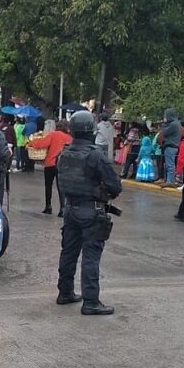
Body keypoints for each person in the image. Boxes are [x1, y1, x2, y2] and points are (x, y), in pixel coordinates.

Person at [56, 111, 122, 315]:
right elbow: (115, 186)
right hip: (91, 212)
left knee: (68, 253)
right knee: (91, 256)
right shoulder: (95, 155)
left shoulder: (64, 152)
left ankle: (65, 292)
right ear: (91, 130)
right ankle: (91, 301)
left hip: (70, 209)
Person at [27, 121, 73, 215]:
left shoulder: (53, 134)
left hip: (51, 163)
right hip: (63, 165)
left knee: (48, 185)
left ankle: (48, 206)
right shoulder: (70, 138)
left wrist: (31, 143)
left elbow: (42, 144)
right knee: (61, 187)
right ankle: (62, 209)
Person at [157, 108, 182, 186]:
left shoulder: (173, 124)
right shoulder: (177, 123)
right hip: (174, 146)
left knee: (169, 165)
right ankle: (168, 179)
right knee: (169, 164)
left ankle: (169, 181)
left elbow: (164, 132)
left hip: (170, 146)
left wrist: (164, 124)